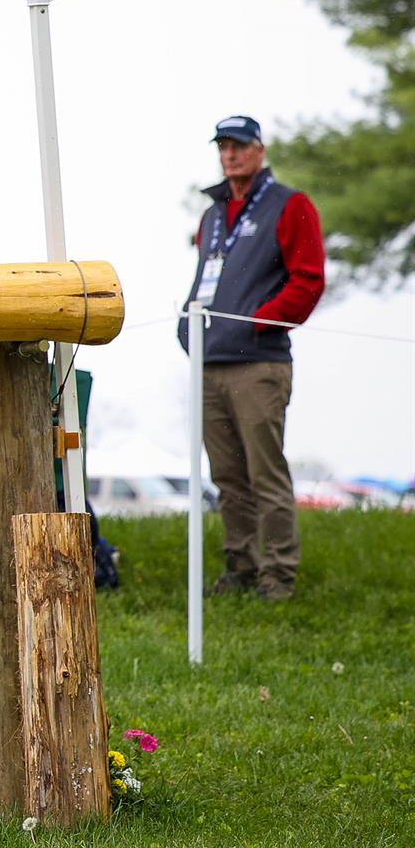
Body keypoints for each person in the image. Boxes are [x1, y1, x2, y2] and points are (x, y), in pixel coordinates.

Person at [176, 114, 324, 602]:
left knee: (264, 474)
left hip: (259, 364)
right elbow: (206, 277)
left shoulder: (289, 204)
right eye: (222, 145)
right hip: (211, 362)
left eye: (239, 145)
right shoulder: (213, 213)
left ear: (259, 149)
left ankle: (278, 576)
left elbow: (308, 279)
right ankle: (241, 566)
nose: (230, 154)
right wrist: (187, 323)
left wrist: (258, 322)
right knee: (227, 477)